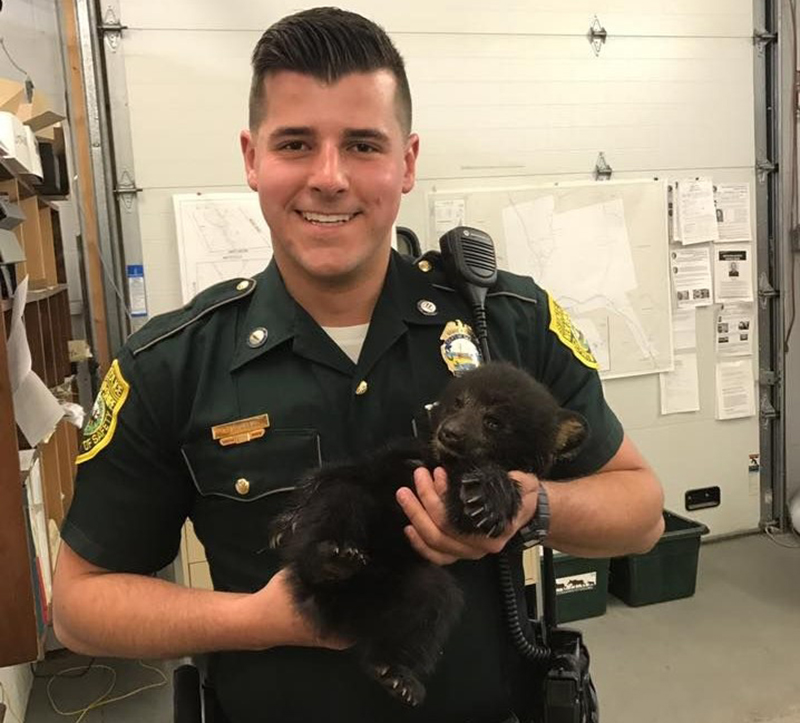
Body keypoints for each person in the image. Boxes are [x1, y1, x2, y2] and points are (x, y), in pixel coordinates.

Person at [52, 7, 664, 723]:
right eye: (296, 143)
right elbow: (79, 605)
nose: (330, 177)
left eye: (363, 144)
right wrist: (262, 619)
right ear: (252, 158)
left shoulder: (508, 323)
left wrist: (532, 505)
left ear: (406, 161)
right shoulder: (172, 363)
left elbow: (643, 511)